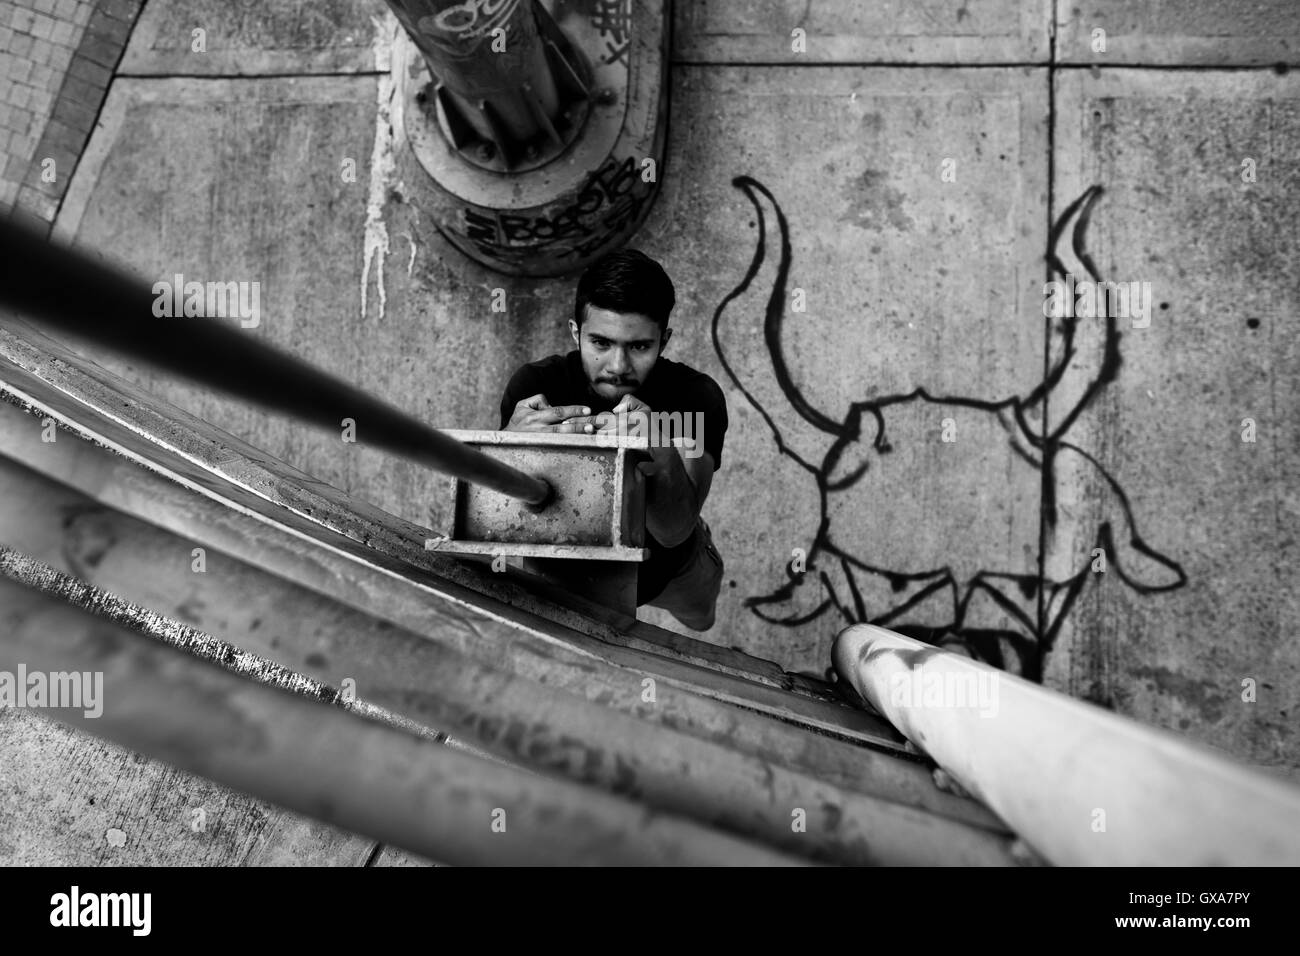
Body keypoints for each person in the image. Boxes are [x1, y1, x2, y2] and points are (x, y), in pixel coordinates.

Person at [499, 249, 728, 630]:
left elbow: (674, 532)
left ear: (664, 340)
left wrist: (660, 450)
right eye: (601, 343)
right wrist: (507, 446)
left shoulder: (694, 396)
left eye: (638, 346)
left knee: (700, 619)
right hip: (568, 568)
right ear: (576, 333)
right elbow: (504, 513)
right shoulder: (537, 386)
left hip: (670, 567)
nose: (618, 367)